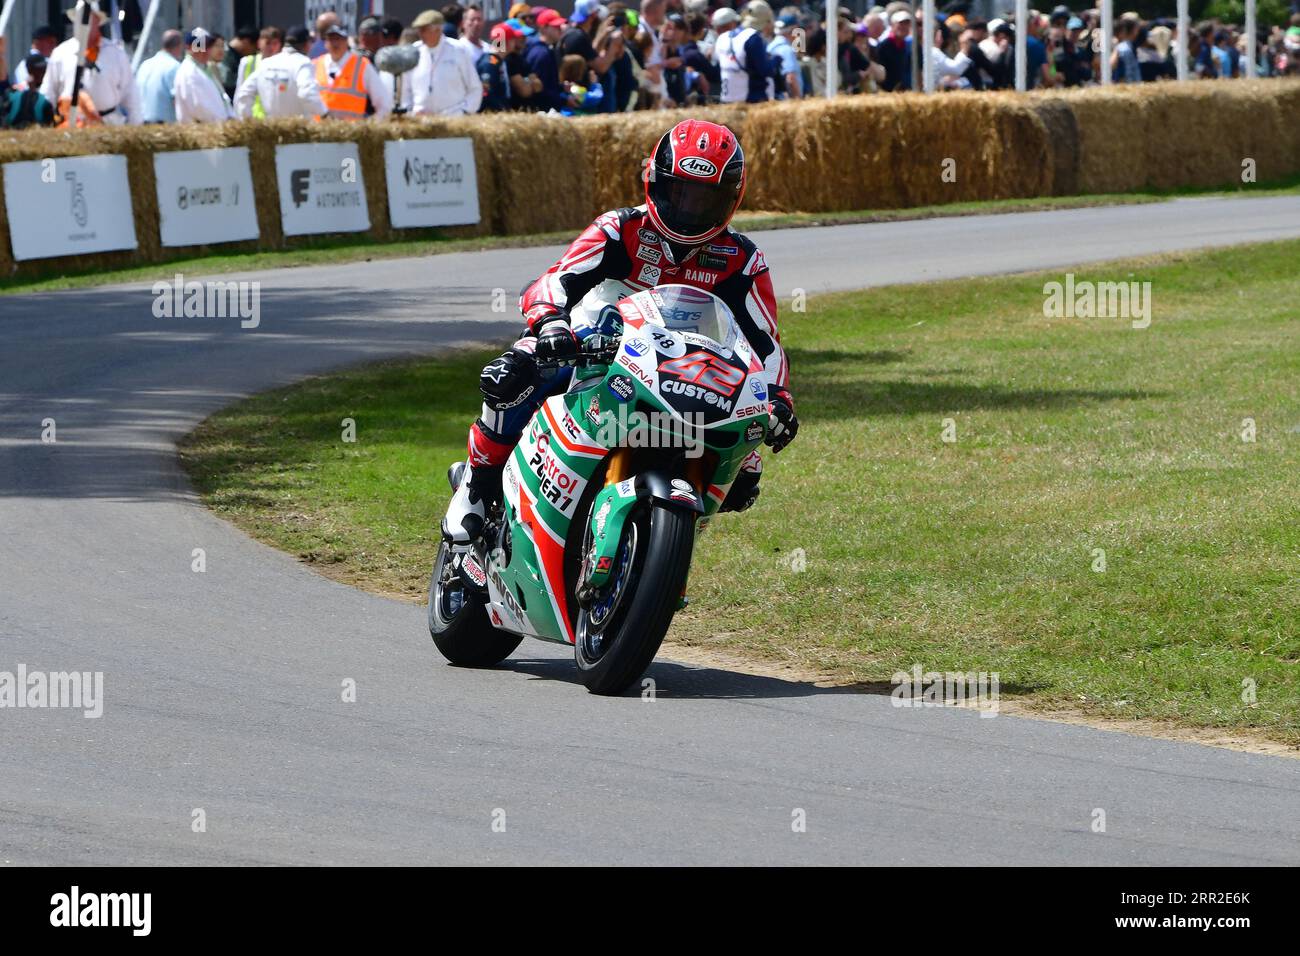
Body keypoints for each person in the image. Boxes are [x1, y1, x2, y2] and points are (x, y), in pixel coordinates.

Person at [444, 119, 799, 542]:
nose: (689, 210)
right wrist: (551, 322)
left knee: (746, 471)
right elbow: (555, 280)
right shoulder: (620, 228)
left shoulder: (742, 260)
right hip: (591, 342)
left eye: (705, 199)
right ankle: (477, 487)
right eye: (680, 193)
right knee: (513, 374)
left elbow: (766, 342)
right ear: (655, 182)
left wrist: (778, 398)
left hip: (684, 373)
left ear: (731, 200)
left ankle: (656, 540)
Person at [42, 1, 142, 125]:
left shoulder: (116, 53)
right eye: (79, 17)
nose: (83, 23)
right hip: (72, 124)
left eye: (87, 18)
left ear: (97, 21)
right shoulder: (60, 53)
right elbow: (49, 92)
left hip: (109, 123)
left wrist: (136, 124)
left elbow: (130, 94)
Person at [235, 24, 325, 119]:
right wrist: (324, 113)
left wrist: (247, 120)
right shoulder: (303, 63)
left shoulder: (267, 63)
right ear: (307, 44)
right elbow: (307, 93)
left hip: (270, 126)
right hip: (298, 128)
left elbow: (244, 93)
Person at [405, 10, 481, 115]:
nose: (419, 34)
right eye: (419, 30)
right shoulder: (414, 51)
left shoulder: (458, 50)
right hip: (422, 122)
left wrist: (464, 112)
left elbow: (475, 88)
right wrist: (411, 112)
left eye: (423, 30)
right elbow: (406, 89)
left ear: (438, 30)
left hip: (453, 122)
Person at [317, 20, 392, 118]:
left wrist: (372, 127)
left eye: (338, 39)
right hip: (318, 130)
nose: (335, 43)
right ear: (326, 42)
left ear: (346, 41)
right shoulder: (316, 64)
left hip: (351, 131)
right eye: (331, 39)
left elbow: (384, 103)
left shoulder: (362, 65)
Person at [174, 28, 235, 122]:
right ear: (189, 48)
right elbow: (199, 108)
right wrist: (223, 121)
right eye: (199, 46)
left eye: (208, 46)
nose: (204, 50)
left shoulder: (206, 69)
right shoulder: (189, 72)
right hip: (203, 130)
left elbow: (222, 99)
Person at [714, 4, 769, 102]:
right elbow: (764, 70)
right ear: (732, 23)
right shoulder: (750, 38)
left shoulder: (720, 40)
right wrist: (776, 60)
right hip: (750, 99)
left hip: (726, 99)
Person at [524, 7, 574, 111]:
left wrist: (560, 87)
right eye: (556, 27)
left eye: (560, 26)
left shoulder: (545, 49)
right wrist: (564, 101)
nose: (560, 29)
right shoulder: (541, 53)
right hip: (542, 113)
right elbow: (540, 90)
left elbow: (546, 84)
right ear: (543, 28)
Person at [135, 28, 184, 123]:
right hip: (164, 127)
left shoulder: (145, 64)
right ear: (179, 46)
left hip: (141, 124)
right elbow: (177, 101)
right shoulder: (175, 67)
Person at [12, 25, 59, 90]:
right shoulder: (25, 65)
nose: (54, 46)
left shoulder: (22, 65)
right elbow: (25, 88)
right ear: (37, 43)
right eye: (51, 42)